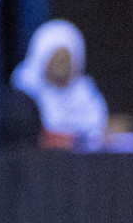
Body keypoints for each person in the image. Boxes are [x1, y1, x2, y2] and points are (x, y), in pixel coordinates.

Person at [10, 20, 109, 148]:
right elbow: (35, 138)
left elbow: (101, 129)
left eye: (66, 58)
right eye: (56, 58)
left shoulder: (84, 92)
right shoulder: (24, 96)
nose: (62, 64)